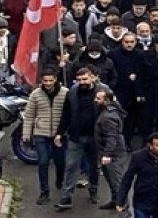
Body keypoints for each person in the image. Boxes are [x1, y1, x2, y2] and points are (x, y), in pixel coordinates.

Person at [56, 67, 112, 209]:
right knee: (70, 166)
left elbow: (113, 111)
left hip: (96, 137)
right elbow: (66, 114)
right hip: (76, 136)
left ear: (92, 77)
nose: (82, 82)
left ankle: (94, 191)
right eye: (79, 80)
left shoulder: (103, 90)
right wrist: (59, 132)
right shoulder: (72, 93)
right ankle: (66, 198)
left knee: (94, 167)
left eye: (85, 79)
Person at [23, 70, 69, 205]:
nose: (48, 83)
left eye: (50, 80)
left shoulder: (65, 93)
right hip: (40, 133)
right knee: (43, 162)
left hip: (59, 134)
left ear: (55, 79)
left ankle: (60, 180)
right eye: (45, 81)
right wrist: (26, 135)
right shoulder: (35, 95)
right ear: (41, 81)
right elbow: (29, 115)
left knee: (60, 162)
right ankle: (44, 192)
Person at [116, 132, 158, 218]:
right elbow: (128, 178)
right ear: (150, 145)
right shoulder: (138, 157)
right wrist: (120, 200)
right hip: (142, 202)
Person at [94, 89, 131, 214]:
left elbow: (111, 137)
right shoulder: (111, 110)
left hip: (113, 153)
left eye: (98, 99)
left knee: (116, 180)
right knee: (111, 179)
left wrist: (107, 154)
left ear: (107, 100)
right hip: (112, 151)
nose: (95, 100)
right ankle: (116, 200)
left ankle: (124, 206)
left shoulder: (108, 117)